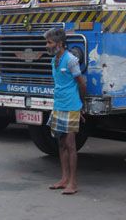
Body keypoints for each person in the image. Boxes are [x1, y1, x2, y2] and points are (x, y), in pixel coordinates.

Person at [44, 28, 86, 195]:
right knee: (61, 144)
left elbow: (81, 84)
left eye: (49, 42)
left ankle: (73, 183)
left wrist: (81, 105)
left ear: (59, 44)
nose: (47, 45)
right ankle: (64, 179)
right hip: (59, 106)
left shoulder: (70, 60)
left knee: (70, 145)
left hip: (71, 106)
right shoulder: (54, 60)